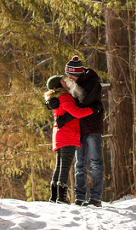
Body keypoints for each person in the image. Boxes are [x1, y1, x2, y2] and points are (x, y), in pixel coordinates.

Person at [44, 74, 93, 204]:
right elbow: (76, 112)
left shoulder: (59, 97)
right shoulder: (65, 97)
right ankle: (61, 198)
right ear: (58, 85)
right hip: (68, 135)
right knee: (64, 167)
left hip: (61, 135)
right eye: (62, 81)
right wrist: (92, 110)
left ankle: (54, 197)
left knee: (60, 166)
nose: (65, 82)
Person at [63, 56, 104, 207]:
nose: (68, 77)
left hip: (92, 127)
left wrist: (69, 109)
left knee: (95, 163)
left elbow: (82, 103)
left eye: (70, 74)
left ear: (77, 73)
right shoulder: (72, 84)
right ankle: (80, 197)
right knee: (80, 164)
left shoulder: (93, 83)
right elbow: (64, 100)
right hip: (78, 128)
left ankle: (95, 198)